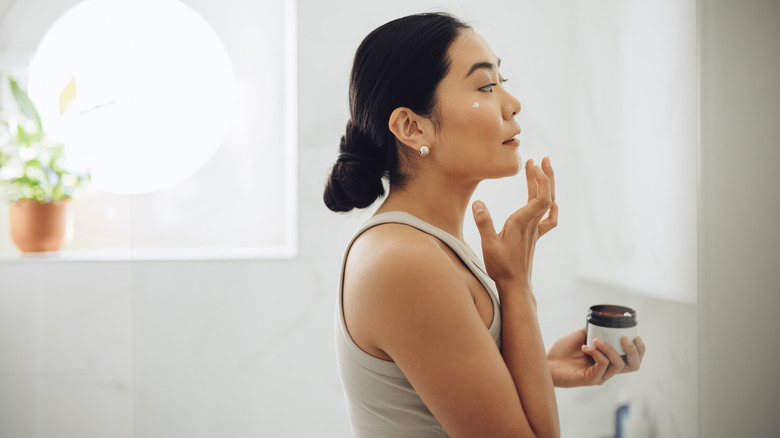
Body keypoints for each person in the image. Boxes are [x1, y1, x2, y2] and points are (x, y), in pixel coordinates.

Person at [324, 12, 646, 438]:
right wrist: (514, 285)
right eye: (485, 86)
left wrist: (540, 366)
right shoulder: (406, 262)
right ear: (411, 126)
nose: (512, 104)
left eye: (502, 80)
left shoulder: (420, 244)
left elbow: (432, 389)